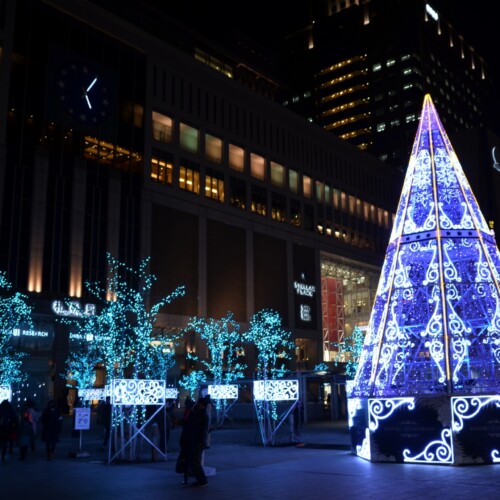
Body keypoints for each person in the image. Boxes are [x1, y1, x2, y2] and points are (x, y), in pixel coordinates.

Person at [183, 395, 211, 488]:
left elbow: (193, 423)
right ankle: (201, 480)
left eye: (199, 403)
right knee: (194, 460)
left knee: (195, 461)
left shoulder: (201, 414)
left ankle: (202, 481)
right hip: (197, 440)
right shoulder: (201, 413)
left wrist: (192, 411)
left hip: (197, 440)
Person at [177, 396, 195, 485]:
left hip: (186, 439)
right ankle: (188, 475)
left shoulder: (188, 413)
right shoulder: (191, 413)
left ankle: (187, 476)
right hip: (189, 439)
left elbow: (185, 423)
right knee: (188, 459)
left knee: (186, 459)